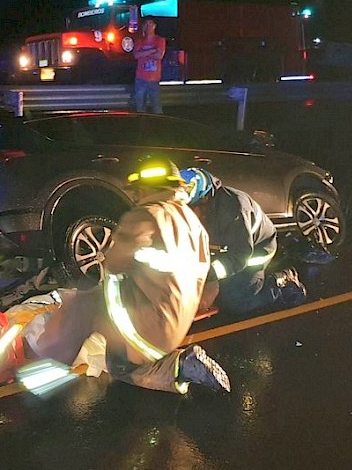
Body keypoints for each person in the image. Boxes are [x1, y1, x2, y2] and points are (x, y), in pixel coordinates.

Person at [31, 157, 230, 395]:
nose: (136, 195)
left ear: (147, 187)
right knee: (120, 364)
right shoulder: (193, 224)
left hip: (146, 329)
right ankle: (181, 364)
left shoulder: (146, 215)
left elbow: (115, 263)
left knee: (84, 304)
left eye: (138, 189)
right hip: (177, 325)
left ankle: (44, 371)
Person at [180, 167, 307, 320]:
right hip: (220, 250)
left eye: (189, 209)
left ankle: (281, 282)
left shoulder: (234, 210)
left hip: (254, 251)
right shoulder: (192, 210)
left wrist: (209, 276)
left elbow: (239, 257)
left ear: (204, 200)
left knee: (236, 301)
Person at [132, 18, 165, 114]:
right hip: (140, 78)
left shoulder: (160, 40)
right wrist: (152, 50)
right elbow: (136, 55)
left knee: (156, 106)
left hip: (154, 79)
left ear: (154, 26)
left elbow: (159, 56)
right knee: (140, 107)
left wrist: (143, 53)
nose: (148, 26)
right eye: (146, 24)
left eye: (150, 24)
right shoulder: (139, 41)